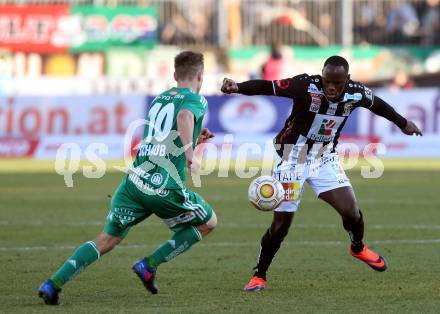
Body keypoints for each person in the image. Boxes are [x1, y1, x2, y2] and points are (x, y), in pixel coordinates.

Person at [221, 55, 422, 292]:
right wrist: (238, 88)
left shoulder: (356, 93)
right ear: (322, 76)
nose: (331, 87)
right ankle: (259, 275)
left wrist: (402, 122)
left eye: (337, 83)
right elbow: (269, 86)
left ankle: (357, 247)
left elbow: (377, 104)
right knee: (282, 224)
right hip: (291, 158)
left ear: (347, 80)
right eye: (327, 81)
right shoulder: (305, 85)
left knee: (351, 212)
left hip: (324, 158)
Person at [38, 51, 217, 305]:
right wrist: (190, 152)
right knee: (208, 223)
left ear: (175, 74)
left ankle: (53, 283)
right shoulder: (197, 99)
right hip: (163, 186)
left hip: (134, 182)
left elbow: (163, 137)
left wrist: (194, 139)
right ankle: (149, 264)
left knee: (107, 238)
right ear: (200, 75)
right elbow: (183, 117)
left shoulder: (159, 99)